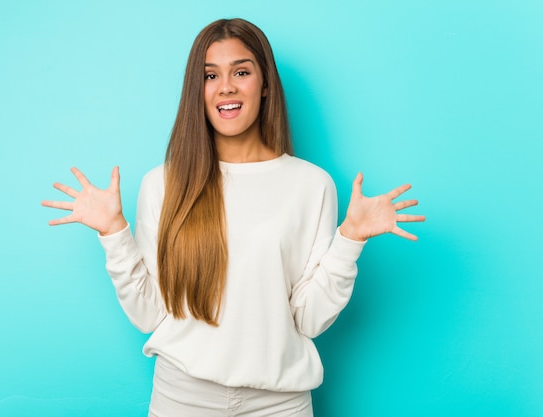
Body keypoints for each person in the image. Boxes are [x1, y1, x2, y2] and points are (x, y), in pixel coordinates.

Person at [42, 18, 424, 417]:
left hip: (280, 404)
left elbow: (308, 319)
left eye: (241, 71)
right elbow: (148, 314)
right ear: (198, 90)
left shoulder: (312, 185)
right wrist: (114, 233)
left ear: (265, 85)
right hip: (182, 400)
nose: (226, 86)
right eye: (210, 75)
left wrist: (350, 240)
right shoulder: (164, 184)